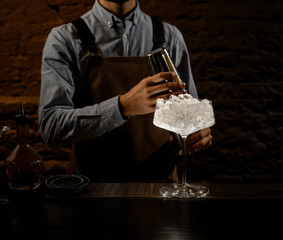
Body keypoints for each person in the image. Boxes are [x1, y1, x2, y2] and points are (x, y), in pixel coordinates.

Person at [39, 0, 213, 182]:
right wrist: (123, 106)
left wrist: (197, 132)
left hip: (161, 188)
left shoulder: (170, 37)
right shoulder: (65, 39)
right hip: (92, 192)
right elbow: (51, 127)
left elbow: (189, 116)